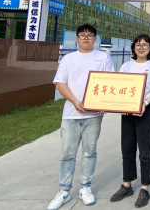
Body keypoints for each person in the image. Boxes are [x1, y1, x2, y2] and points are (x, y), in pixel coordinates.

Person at [48, 24, 114, 210]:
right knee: (67, 154)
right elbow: (60, 83)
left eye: (90, 35)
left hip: (93, 115)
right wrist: (75, 102)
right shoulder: (68, 59)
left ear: (95, 39)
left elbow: (110, 83)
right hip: (71, 114)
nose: (86, 38)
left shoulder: (103, 58)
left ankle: (85, 187)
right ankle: (64, 190)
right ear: (77, 38)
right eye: (82, 35)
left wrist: (105, 104)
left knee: (89, 152)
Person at [110, 34, 150, 208]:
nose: (141, 47)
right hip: (127, 112)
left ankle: (144, 188)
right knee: (127, 149)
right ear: (133, 47)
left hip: (146, 111)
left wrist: (145, 103)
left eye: (145, 44)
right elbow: (118, 87)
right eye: (138, 44)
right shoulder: (126, 66)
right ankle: (127, 185)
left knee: (145, 151)